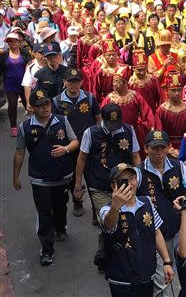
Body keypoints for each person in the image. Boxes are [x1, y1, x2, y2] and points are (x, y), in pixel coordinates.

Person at [13, 89, 79, 266]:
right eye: (40, 106)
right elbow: (20, 153)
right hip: (39, 177)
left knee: (60, 205)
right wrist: (16, 177)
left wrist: (65, 149)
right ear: (32, 108)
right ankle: (47, 249)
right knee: (43, 213)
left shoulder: (62, 121)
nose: (45, 108)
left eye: (47, 104)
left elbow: (75, 142)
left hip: (61, 175)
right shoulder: (25, 127)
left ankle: (60, 227)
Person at [75, 104, 141, 272]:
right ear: (102, 119)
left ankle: (118, 252)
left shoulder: (128, 130)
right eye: (110, 124)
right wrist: (78, 185)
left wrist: (140, 180)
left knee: (123, 219)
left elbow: (135, 156)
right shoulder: (91, 133)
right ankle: (106, 255)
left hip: (124, 185)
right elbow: (82, 159)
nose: (114, 128)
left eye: (116, 123)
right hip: (99, 186)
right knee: (108, 220)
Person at [100, 163, 174, 296]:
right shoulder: (107, 210)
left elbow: (156, 232)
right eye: (122, 181)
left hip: (147, 275)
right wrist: (115, 206)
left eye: (132, 178)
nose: (129, 184)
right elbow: (108, 226)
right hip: (121, 280)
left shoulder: (147, 202)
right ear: (113, 185)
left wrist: (167, 261)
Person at [138, 130, 186, 297]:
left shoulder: (179, 166)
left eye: (163, 147)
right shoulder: (138, 173)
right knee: (161, 277)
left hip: (178, 230)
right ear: (146, 149)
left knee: (185, 269)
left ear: (169, 147)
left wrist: (183, 201)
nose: (159, 152)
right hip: (154, 235)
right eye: (154, 148)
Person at [52, 68, 101, 217]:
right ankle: (77, 203)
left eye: (77, 82)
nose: (74, 85)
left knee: (93, 177)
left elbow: (98, 120)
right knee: (74, 177)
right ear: (64, 82)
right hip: (70, 146)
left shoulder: (90, 98)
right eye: (70, 82)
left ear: (81, 82)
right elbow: (55, 124)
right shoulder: (57, 101)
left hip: (90, 146)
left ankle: (96, 210)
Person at [101, 65, 156, 159]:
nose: (114, 84)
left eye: (117, 81)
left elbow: (147, 113)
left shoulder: (135, 96)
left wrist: (144, 127)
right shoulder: (109, 99)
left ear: (125, 83)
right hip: (114, 133)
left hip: (133, 132)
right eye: (114, 81)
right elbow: (102, 117)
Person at [154, 72, 186, 158]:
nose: (177, 93)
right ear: (167, 90)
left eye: (179, 90)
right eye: (173, 90)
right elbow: (159, 133)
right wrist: (171, 150)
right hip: (166, 150)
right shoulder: (161, 111)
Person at [1, 32, 30, 136]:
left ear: (19, 42)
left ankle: (31, 125)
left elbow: (30, 67)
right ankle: (13, 126)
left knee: (28, 104)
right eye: (10, 41)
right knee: (12, 104)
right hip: (10, 84)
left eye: (15, 40)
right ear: (7, 43)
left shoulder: (25, 53)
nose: (12, 42)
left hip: (24, 84)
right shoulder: (4, 55)